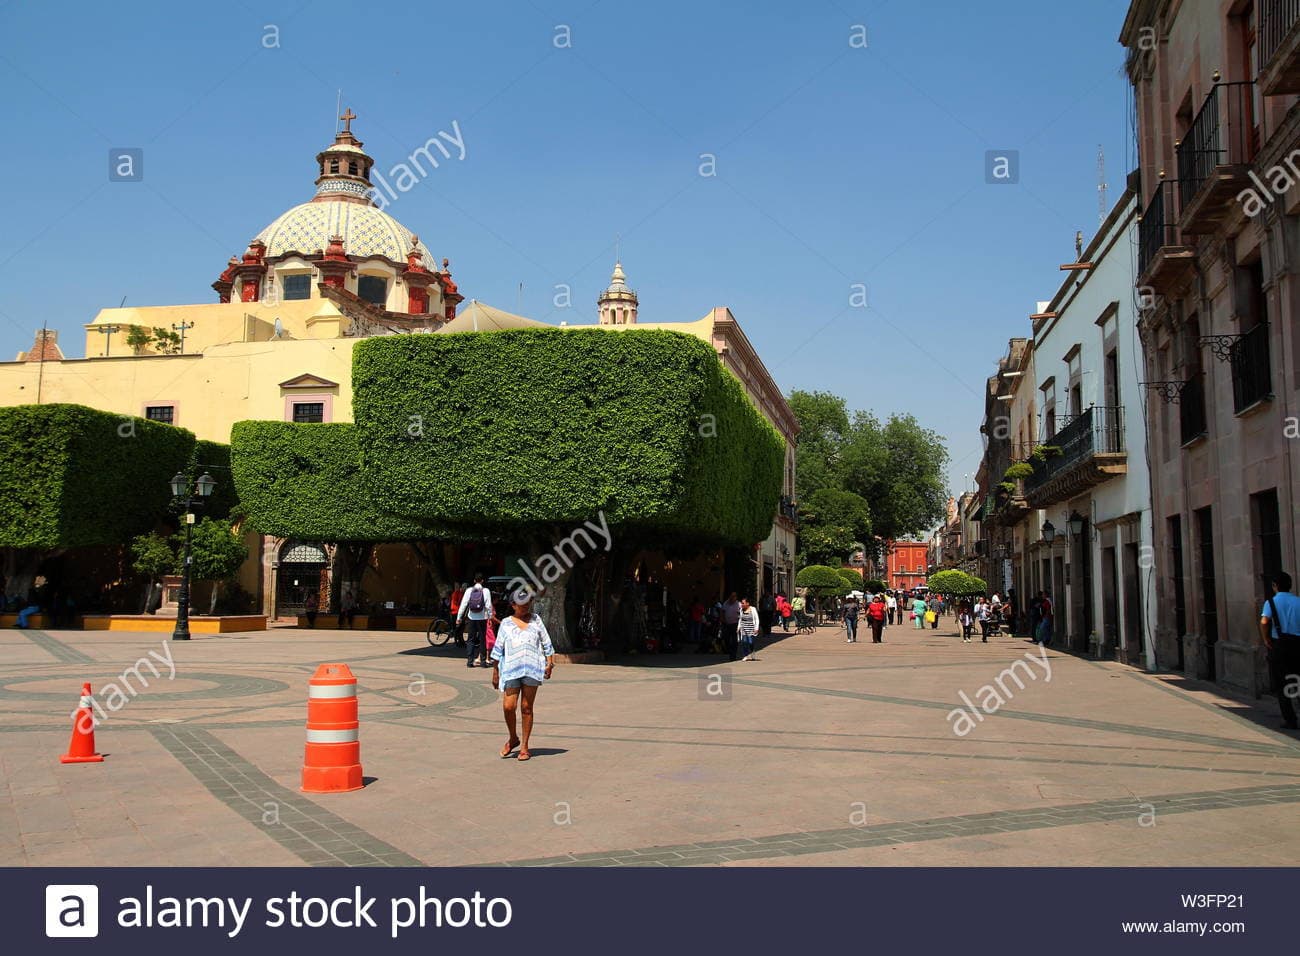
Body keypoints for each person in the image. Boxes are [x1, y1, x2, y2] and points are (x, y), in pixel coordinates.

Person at [490, 588, 555, 761]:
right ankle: (513, 738)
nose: (526, 607)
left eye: (527, 603)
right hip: (511, 669)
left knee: (527, 707)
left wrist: (549, 663)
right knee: (508, 707)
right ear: (513, 605)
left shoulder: (536, 620)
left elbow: (546, 641)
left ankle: (525, 746)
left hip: (532, 669)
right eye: (521, 604)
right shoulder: (506, 623)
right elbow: (498, 647)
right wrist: (495, 671)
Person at [1260, 571, 1300, 731]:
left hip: (1280, 645)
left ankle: (1290, 719)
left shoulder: (1271, 602)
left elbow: (1264, 621)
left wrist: (1266, 639)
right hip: (1298, 644)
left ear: (1275, 586)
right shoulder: (1298, 601)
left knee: (1282, 683)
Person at [457, 574, 492, 668]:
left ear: (474, 580)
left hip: (472, 618)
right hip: (482, 618)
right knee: (482, 639)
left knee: (470, 639)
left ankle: (470, 661)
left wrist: (459, 617)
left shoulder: (469, 590)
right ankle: (483, 662)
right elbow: (488, 606)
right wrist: (490, 617)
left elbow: (463, 604)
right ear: (482, 581)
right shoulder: (486, 591)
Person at [721, 592, 742, 660]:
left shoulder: (739, 604)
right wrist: (722, 620)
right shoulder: (725, 603)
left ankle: (733, 655)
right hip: (727, 624)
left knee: (734, 640)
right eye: (731, 596)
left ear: (736, 597)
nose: (732, 598)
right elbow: (722, 612)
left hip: (735, 624)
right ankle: (729, 650)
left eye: (734, 596)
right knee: (726, 639)